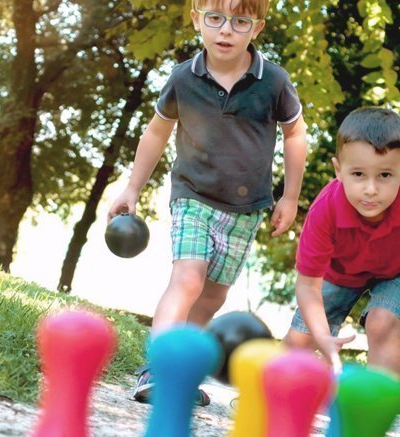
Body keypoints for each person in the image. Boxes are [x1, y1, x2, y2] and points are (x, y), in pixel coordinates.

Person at [108, 0, 308, 405]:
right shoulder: (184, 78)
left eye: (240, 21)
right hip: (192, 196)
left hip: (247, 207)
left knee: (213, 297)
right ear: (198, 20)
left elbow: (295, 135)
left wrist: (290, 196)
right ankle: (158, 368)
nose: (226, 30)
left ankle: (182, 372)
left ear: (257, 27)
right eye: (215, 19)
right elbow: (156, 133)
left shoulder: (274, 81)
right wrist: (131, 188)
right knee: (188, 279)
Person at [284, 107, 400, 376]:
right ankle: (268, 395)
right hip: (343, 268)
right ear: (338, 170)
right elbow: (307, 286)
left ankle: (379, 409)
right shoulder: (325, 211)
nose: (371, 189)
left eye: (385, 175)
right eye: (358, 174)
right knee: (303, 336)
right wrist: (323, 337)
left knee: (382, 321)